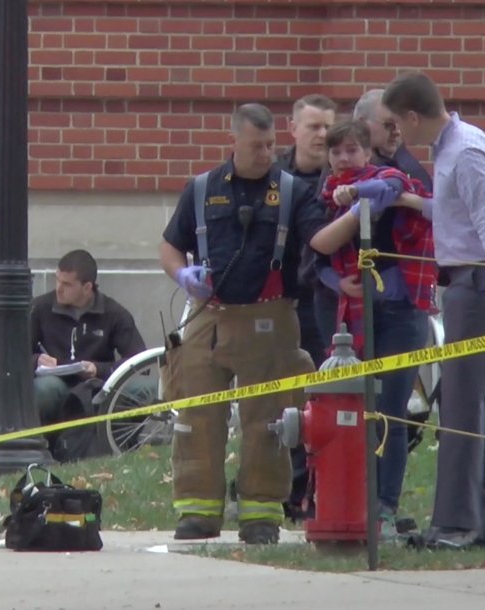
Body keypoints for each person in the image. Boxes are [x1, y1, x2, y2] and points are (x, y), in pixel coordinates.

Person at [160, 103, 323, 544]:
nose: (267, 153)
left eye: (272, 145)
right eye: (256, 146)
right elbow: (170, 247)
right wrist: (182, 275)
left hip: (270, 316)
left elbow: (318, 241)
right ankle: (197, 511)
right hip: (208, 317)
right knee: (196, 417)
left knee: (267, 420)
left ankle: (260, 514)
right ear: (234, 142)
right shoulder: (200, 190)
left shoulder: (292, 192)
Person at [383, 71, 485, 546]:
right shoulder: (452, 148)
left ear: (413, 116)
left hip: (480, 283)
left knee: (459, 405)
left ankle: (457, 524)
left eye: (398, 126)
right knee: (474, 401)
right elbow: (456, 212)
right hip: (467, 282)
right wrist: (408, 201)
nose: (399, 137)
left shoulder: (464, 153)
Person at [308, 120, 435, 538]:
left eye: (352, 150)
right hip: (349, 317)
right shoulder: (321, 198)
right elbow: (314, 255)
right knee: (350, 413)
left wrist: (358, 194)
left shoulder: (388, 180)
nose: (344, 159)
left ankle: (384, 506)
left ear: (367, 152)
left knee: (391, 414)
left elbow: (392, 188)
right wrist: (336, 282)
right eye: (337, 152)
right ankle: (347, 499)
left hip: (402, 311)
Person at [275, 93, 335, 522]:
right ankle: (274, 483)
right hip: (277, 302)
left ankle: (308, 487)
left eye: (328, 127)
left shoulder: (342, 179)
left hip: (322, 302)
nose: (322, 135)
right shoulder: (273, 176)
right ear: (293, 128)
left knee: (317, 393)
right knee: (278, 396)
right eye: (314, 126)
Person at [30, 249, 147, 438]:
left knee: (146, 388)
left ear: (87, 287)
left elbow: (140, 361)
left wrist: (98, 369)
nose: (59, 288)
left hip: (98, 384)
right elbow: (14, 353)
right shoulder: (40, 308)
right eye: (57, 280)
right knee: (46, 389)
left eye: (67, 284)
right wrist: (37, 360)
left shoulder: (114, 313)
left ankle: (116, 443)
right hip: (55, 382)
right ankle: (47, 444)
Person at [352, 89, 432, 191]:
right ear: (362, 124)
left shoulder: (411, 172)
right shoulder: (339, 162)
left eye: (398, 123)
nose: (397, 132)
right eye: (389, 125)